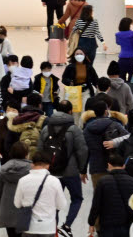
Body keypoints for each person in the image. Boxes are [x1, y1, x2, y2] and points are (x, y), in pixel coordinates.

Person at [36, 100, 87, 235]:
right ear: (70, 111)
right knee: (77, 198)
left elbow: (39, 149)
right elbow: (82, 150)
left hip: (51, 171)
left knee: (54, 202)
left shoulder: (47, 128)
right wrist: (82, 169)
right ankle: (67, 225)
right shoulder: (74, 129)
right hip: (71, 171)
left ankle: (54, 230)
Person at [13, 150, 68, 237]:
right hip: (48, 228)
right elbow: (62, 205)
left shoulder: (23, 181)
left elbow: (17, 204)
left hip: (29, 228)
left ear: (32, 164)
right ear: (48, 165)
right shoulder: (54, 181)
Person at [87, 153, 133, 237]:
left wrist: (91, 223)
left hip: (107, 226)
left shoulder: (102, 181)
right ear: (123, 166)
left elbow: (96, 205)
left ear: (109, 165)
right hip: (127, 225)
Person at [82, 98, 128, 186]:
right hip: (114, 166)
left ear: (94, 113)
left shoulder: (87, 129)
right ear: (106, 111)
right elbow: (128, 138)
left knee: (99, 197)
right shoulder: (115, 124)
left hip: (96, 168)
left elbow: (85, 151)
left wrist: (83, 171)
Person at [0, 142, 32, 237]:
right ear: (26, 154)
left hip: (7, 212)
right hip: (26, 213)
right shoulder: (32, 170)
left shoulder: (4, 169)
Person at [61, 48, 99, 118]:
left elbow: (95, 79)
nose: (79, 56)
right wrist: (69, 82)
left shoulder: (89, 67)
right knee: (75, 112)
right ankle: (75, 127)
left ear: (84, 55)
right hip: (74, 93)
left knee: (84, 111)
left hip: (86, 91)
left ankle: (82, 127)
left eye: (81, 54)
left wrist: (99, 87)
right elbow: (64, 79)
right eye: (77, 54)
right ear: (74, 56)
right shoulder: (70, 67)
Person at [114, 18, 133, 82]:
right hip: (132, 58)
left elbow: (118, 43)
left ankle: (122, 90)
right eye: (131, 24)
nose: (132, 25)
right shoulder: (132, 34)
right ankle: (130, 90)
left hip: (122, 58)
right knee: (132, 77)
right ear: (128, 25)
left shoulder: (118, 34)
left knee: (121, 77)